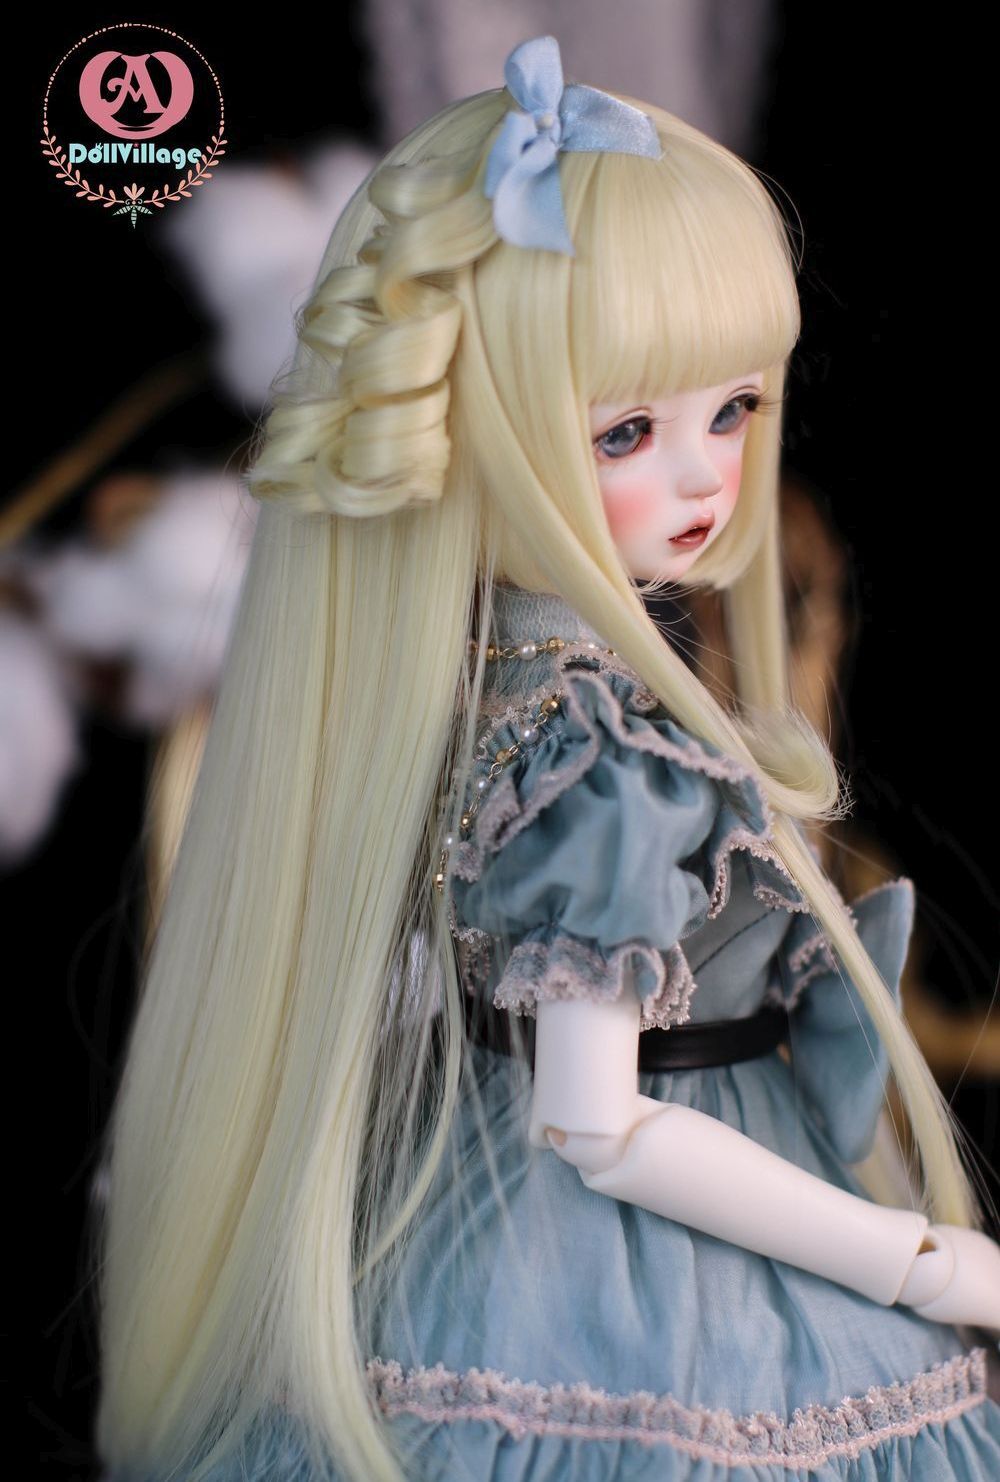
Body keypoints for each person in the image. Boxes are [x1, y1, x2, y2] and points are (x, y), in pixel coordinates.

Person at [93, 34, 1000, 1482]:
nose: (705, 476)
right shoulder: (595, 752)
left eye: (734, 409)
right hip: (635, 1259)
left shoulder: (510, 699)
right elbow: (600, 1121)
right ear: (476, 434)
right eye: (627, 430)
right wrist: (919, 1260)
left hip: (523, 1207)